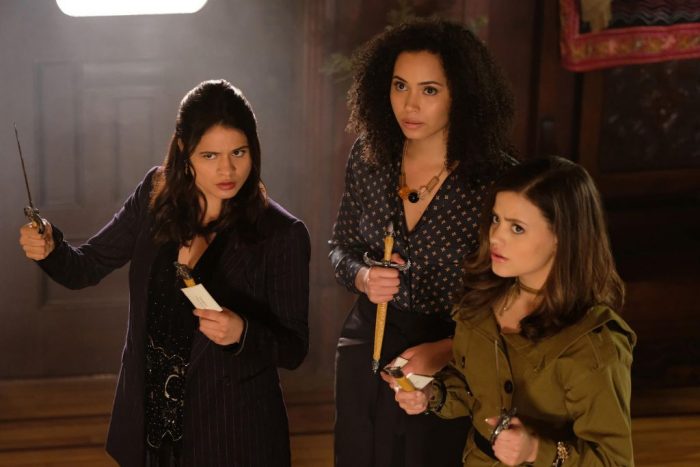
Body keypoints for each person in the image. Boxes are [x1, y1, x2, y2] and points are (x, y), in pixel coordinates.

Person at [19, 79, 310, 466]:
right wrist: (50, 247)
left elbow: (294, 348)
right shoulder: (154, 194)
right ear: (184, 151)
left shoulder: (282, 234)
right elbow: (85, 267)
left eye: (238, 152)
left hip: (232, 434)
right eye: (210, 155)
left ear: (253, 148)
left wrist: (242, 332)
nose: (227, 169)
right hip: (151, 426)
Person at [329, 18, 515, 467]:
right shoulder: (369, 156)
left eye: (429, 90)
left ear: (462, 95)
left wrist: (448, 350)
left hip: (454, 359)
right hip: (368, 344)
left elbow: (517, 295)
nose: (409, 105)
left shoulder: (497, 180)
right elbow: (340, 247)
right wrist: (363, 277)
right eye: (400, 86)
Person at [393, 157, 636, 466]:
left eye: (517, 228)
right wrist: (431, 395)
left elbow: (614, 461)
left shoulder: (593, 344)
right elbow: (475, 390)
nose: (495, 236)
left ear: (562, 237)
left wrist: (535, 450)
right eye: (496, 219)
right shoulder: (480, 304)